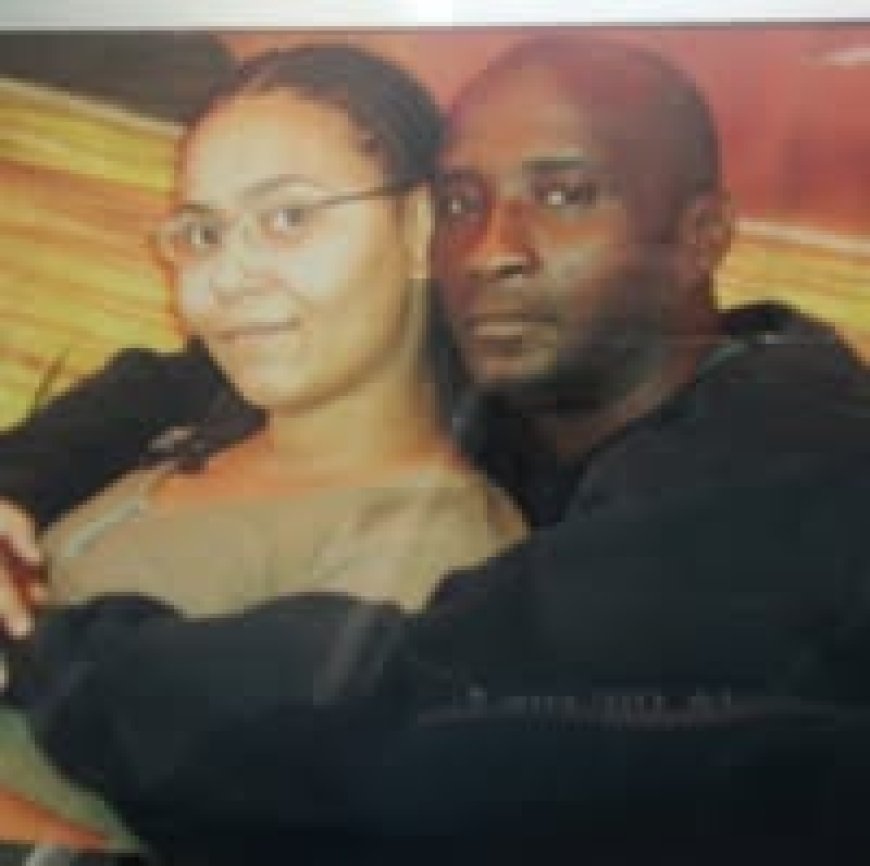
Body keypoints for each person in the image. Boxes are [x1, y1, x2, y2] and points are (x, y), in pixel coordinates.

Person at [2, 35, 870, 849]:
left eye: (565, 195)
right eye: (462, 204)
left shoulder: (779, 474)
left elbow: (382, 746)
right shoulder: (546, 395)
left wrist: (35, 643)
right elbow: (188, 371)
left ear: (704, 235)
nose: (491, 250)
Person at [0, 43, 524, 850]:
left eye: (288, 218)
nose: (229, 275)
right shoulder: (193, 426)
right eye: (202, 233)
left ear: (421, 228)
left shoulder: (427, 557)